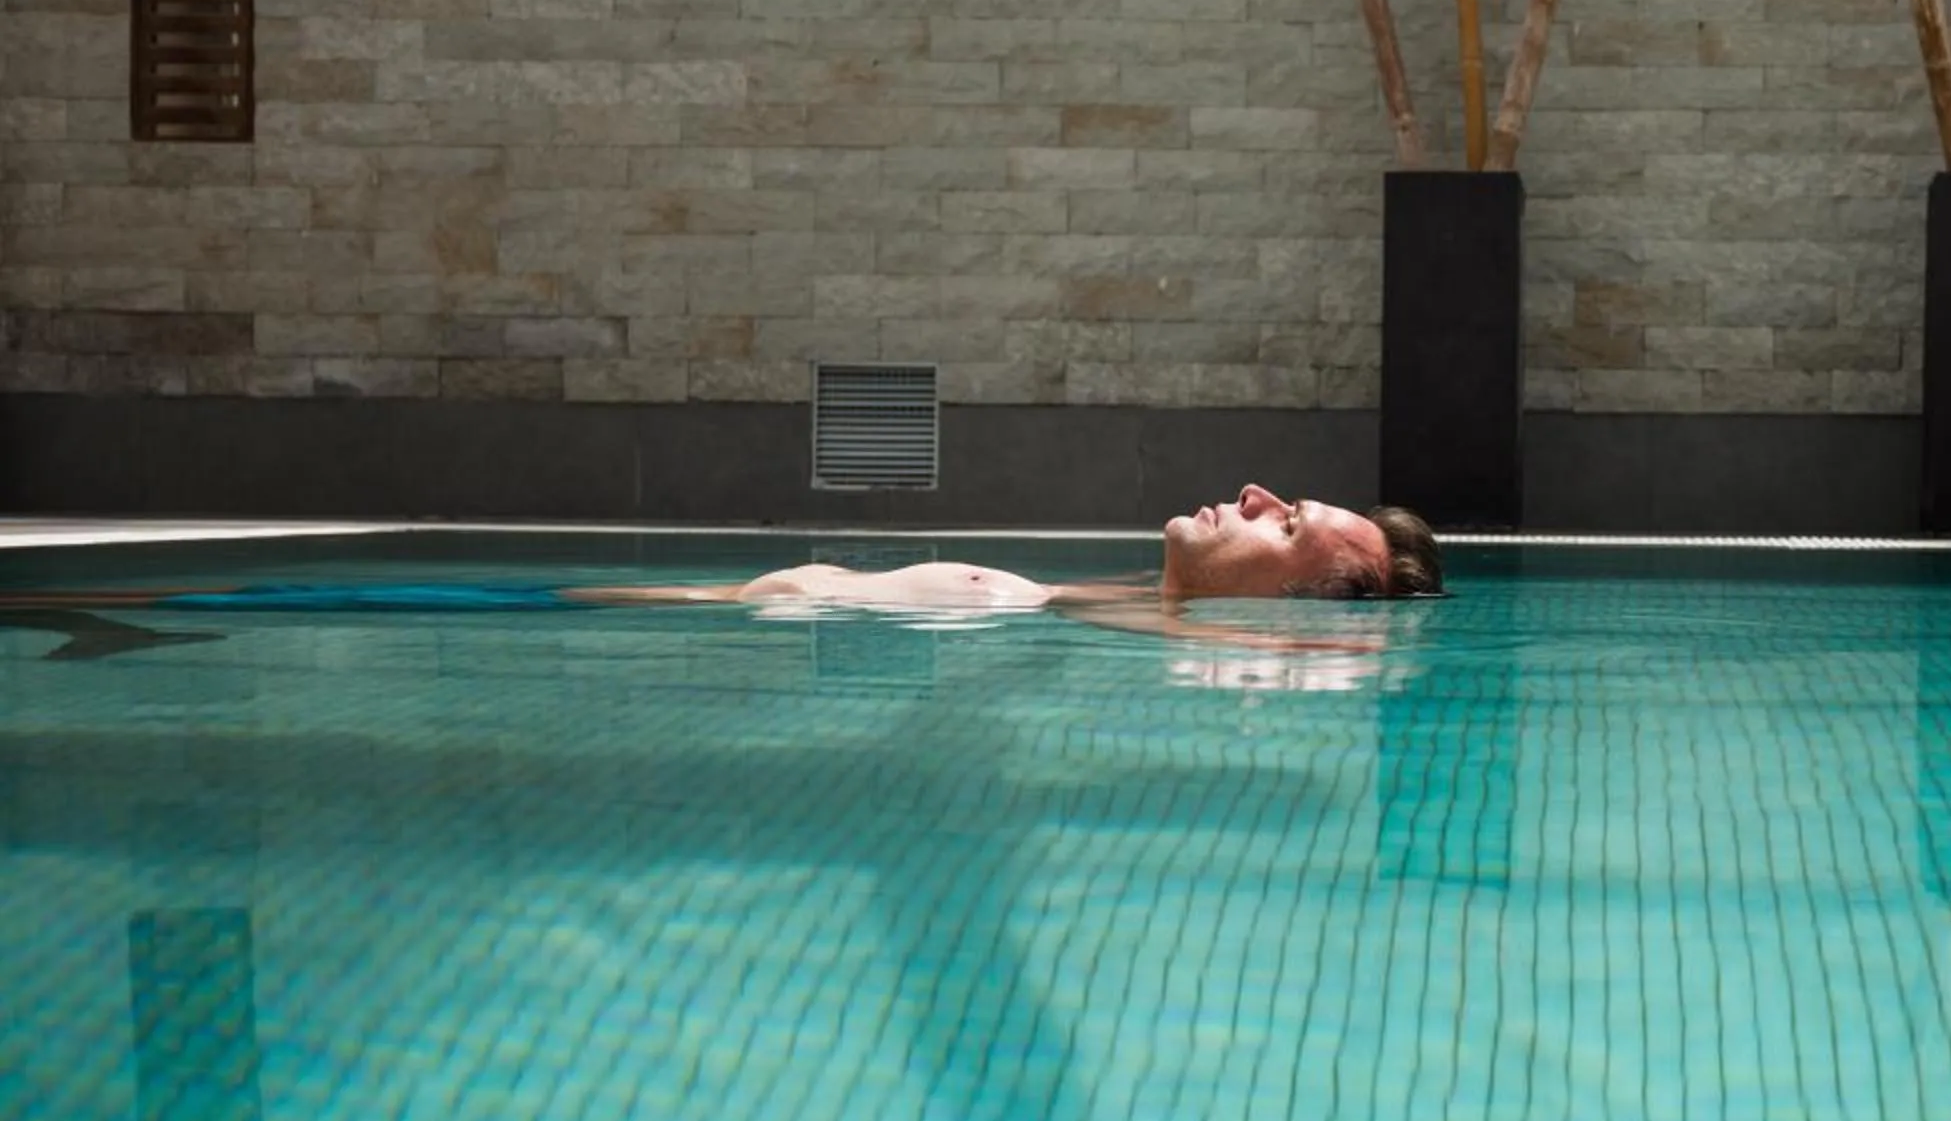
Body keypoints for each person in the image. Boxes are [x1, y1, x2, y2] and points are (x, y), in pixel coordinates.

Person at [0, 485, 1442, 659]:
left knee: (288, 614)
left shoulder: (1222, 651)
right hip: (648, 612)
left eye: (1289, 518)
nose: (1255, 491)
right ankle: (111, 620)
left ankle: (104, 621)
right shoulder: (1127, 616)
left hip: (637, 626)